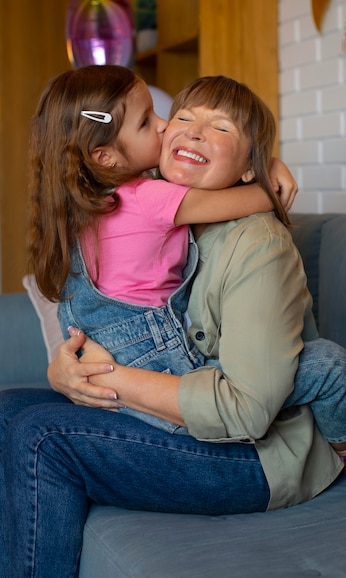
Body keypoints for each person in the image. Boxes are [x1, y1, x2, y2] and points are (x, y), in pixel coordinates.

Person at [0, 76, 346, 578]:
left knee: (40, 437)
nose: (182, 130)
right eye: (180, 118)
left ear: (247, 163)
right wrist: (65, 373)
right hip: (181, 394)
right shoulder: (162, 201)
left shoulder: (256, 244)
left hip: (251, 454)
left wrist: (105, 382)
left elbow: (246, 410)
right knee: (6, 412)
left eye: (220, 128)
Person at [26, 64, 288, 431]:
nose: (165, 125)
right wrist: (268, 169)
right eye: (146, 121)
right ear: (105, 157)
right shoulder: (152, 199)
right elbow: (258, 199)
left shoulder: (81, 205)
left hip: (98, 360)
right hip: (152, 364)